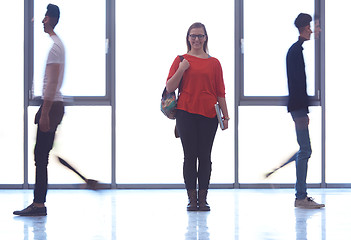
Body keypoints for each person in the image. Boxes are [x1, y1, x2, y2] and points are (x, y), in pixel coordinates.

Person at [166, 22, 229, 211]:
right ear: (188, 38)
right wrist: (182, 68)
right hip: (185, 114)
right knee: (189, 157)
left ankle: (204, 198)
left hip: (209, 115)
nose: (196, 39)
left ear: (205, 38)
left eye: (200, 36)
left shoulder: (214, 63)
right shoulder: (181, 60)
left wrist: (225, 116)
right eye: (193, 36)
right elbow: (169, 87)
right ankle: (191, 199)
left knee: (205, 156)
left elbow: (220, 92)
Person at [14, 4, 65, 216]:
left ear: (51, 19)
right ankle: (38, 203)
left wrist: (44, 112)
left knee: (41, 155)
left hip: (51, 106)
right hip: (52, 105)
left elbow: (52, 83)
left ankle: (39, 205)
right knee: (41, 154)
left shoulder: (55, 47)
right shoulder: (57, 45)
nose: (42, 21)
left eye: (45, 17)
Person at [286, 13, 324, 209]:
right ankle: (300, 197)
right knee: (305, 150)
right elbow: (297, 85)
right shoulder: (295, 51)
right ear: (303, 27)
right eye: (309, 26)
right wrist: (303, 112)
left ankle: (301, 195)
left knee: (304, 149)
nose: (312, 29)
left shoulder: (296, 50)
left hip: (298, 108)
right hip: (298, 108)